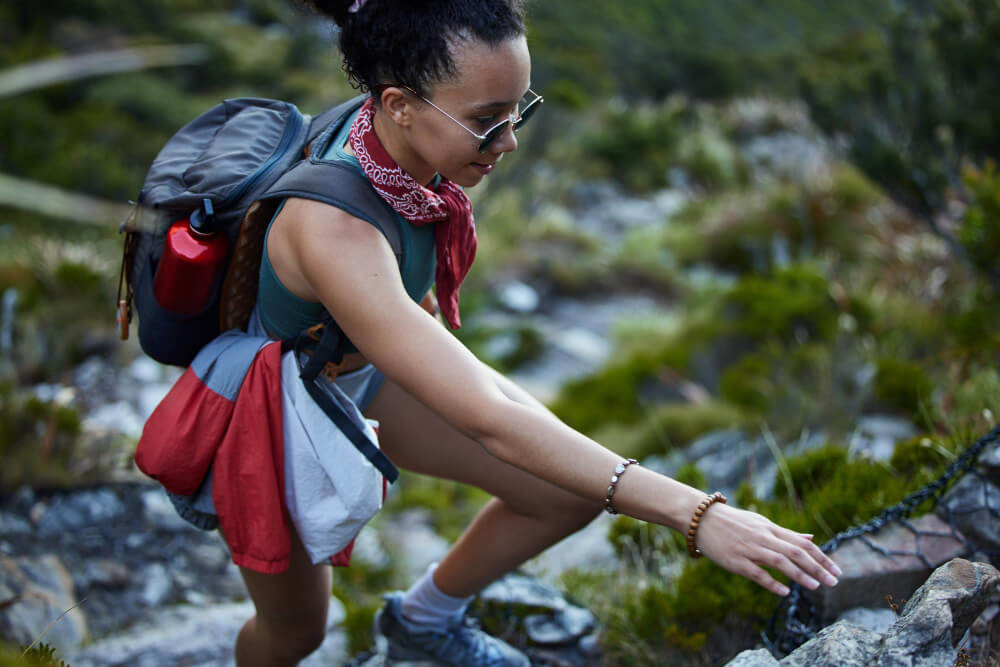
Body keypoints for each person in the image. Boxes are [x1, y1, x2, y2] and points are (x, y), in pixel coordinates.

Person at [198, 1, 841, 665]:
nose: (508, 142)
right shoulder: (333, 229)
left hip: (362, 366)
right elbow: (489, 419)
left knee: (566, 489)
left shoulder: (400, 144)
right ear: (399, 105)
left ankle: (423, 621)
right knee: (296, 632)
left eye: (516, 111)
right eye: (486, 121)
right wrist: (698, 514)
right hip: (280, 409)